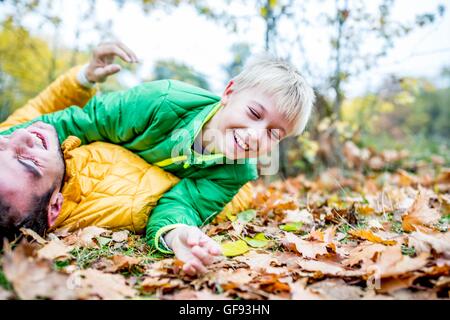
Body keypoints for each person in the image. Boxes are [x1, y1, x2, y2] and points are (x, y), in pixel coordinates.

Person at [1, 53, 315, 275]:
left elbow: (185, 203)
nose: (256, 135)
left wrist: (176, 233)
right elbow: (83, 120)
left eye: (275, 133)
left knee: (231, 200)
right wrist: (12, 137)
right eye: (254, 114)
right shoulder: (162, 101)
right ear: (229, 93)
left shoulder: (238, 169)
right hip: (106, 161)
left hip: (157, 181)